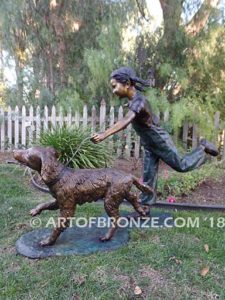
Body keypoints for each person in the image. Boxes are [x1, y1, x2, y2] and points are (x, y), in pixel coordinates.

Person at [91, 67, 219, 216]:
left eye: (114, 86)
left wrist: (104, 134)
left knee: (182, 165)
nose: (113, 90)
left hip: (159, 141)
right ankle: (145, 206)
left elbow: (125, 121)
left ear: (126, 84)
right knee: (148, 175)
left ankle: (203, 149)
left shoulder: (139, 101)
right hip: (149, 144)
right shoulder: (133, 101)